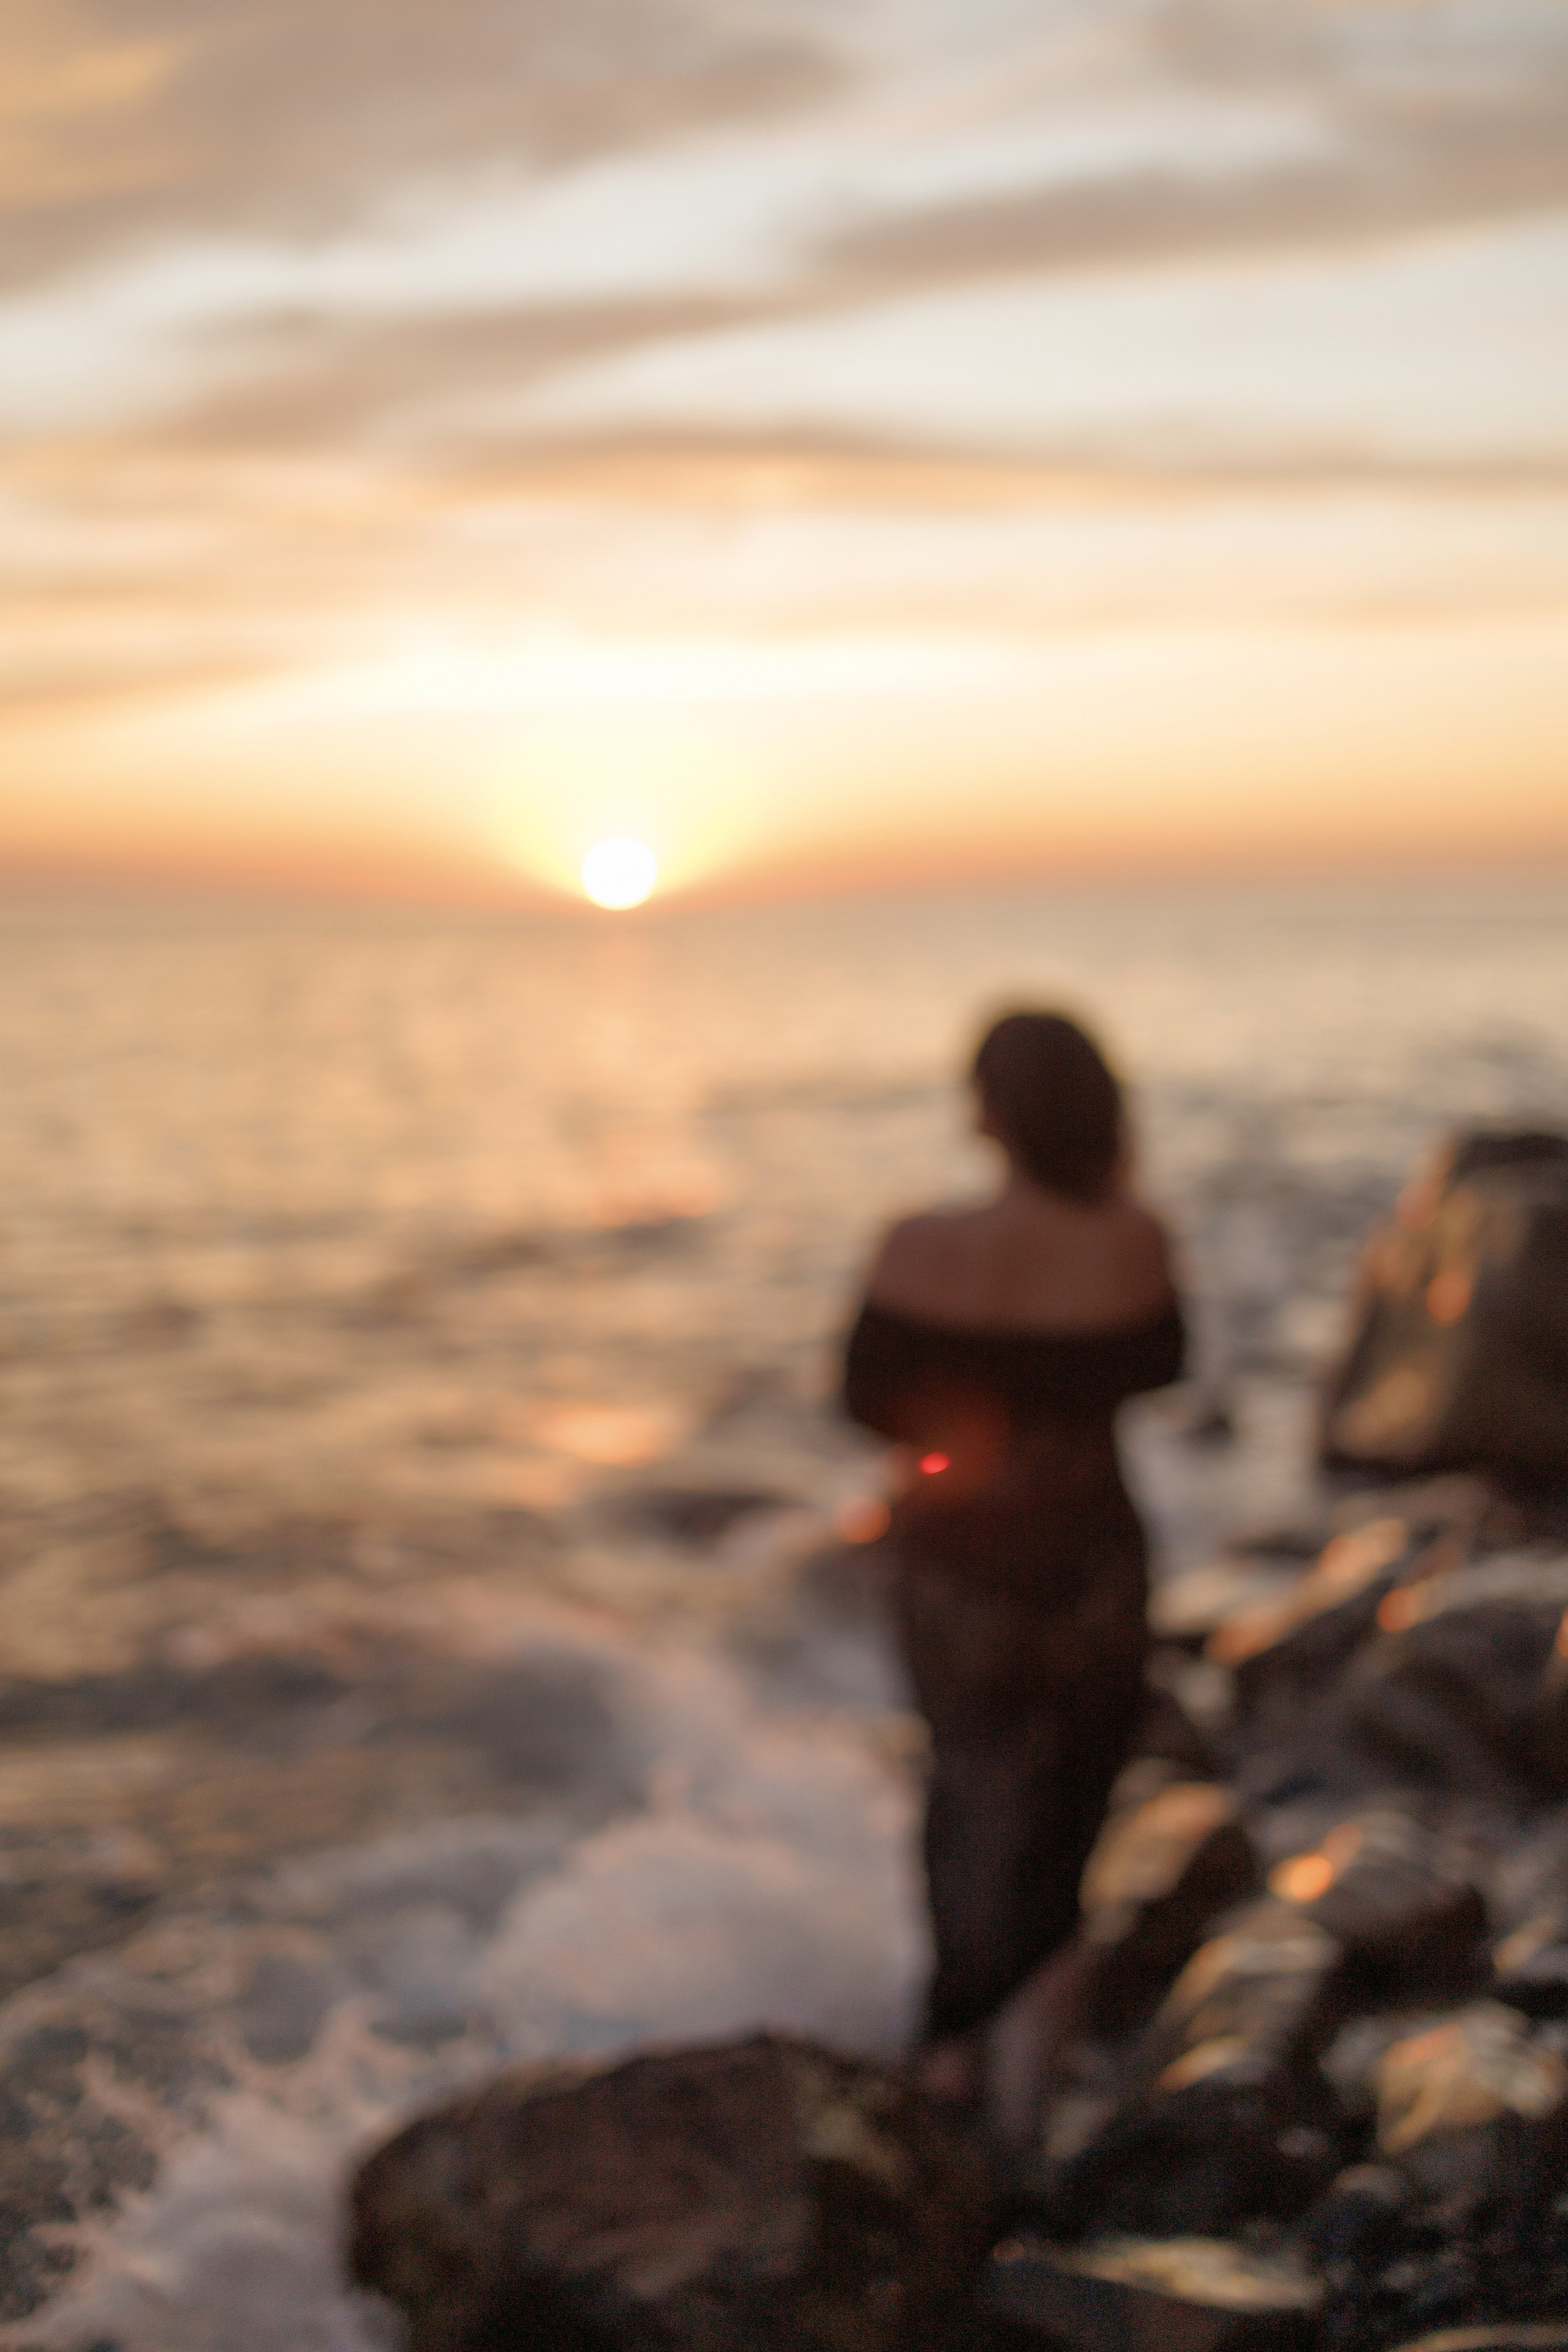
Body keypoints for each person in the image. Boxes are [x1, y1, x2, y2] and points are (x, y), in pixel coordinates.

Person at [842, 1009, 1183, 2113]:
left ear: (988, 1111)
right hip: (1089, 1562)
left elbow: (864, 1407)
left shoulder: (914, 1243)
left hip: (950, 1569)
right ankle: (1029, 2081)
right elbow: (1166, 1369)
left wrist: (957, 1437)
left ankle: (946, 2047)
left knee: (965, 1792)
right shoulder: (1132, 1238)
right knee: (1065, 1810)